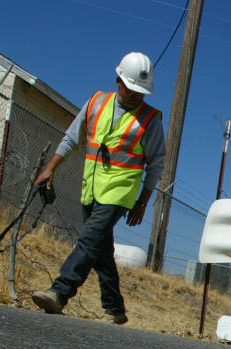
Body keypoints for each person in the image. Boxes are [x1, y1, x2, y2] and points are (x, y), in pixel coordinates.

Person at [31, 51, 166, 325]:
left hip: (120, 192)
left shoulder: (150, 119)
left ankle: (60, 292)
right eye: (131, 89)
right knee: (100, 250)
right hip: (90, 187)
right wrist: (51, 168)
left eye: (141, 92)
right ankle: (115, 309)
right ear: (118, 80)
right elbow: (72, 137)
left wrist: (142, 202)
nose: (136, 96)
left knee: (89, 240)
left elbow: (156, 165)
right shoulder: (96, 103)